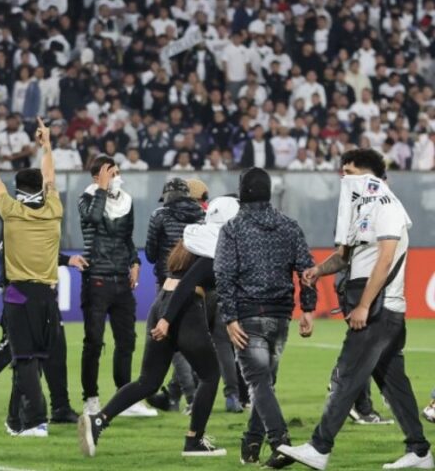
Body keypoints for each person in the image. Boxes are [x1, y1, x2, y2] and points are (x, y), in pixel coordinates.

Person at [279, 149, 433, 470]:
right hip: (375, 307)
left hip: (379, 307)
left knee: (346, 375)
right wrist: (319, 271)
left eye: (349, 171)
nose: (343, 177)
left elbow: (385, 259)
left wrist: (364, 305)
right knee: (394, 383)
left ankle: (319, 447)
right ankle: (419, 451)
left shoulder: (386, 205)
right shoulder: (361, 208)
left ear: (368, 175)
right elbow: (345, 257)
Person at [79, 195, 241, 458]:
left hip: (163, 303)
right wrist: (168, 320)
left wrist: (164, 316)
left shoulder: (194, 237)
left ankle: (99, 421)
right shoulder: (214, 246)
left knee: (148, 381)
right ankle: (194, 441)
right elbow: (188, 284)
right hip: (183, 309)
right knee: (210, 375)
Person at [214, 167, 317, 468]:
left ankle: (281, 442)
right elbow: (307, 270)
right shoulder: (289, 225)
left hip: (247, 315)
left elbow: (223, 274)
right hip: (280, 317)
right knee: (265, 381)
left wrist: (230, 317)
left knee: (258, 382)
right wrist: (308, 309)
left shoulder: (233, 228)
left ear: (242, 191)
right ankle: (252, 440)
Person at [0, 117, 62, 437]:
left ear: (18, 190)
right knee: (37, 359)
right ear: (41, 188)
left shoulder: (11, 211)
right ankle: (21, 421)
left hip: (19, 295)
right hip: (48, 295)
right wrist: (47, 145)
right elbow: (51, 176)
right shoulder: (54, 208)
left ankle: (35, 421)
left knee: (24, 359)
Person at [0, 248, 86, 429]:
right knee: (12, 349)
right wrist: (65, 260)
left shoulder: (35, 226)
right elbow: (27, 255)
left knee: (55, 345)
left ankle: (60, 406)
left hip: (41, 293)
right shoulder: (15, 226)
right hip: (20, 294)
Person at [78, 155, 154, 418]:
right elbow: (95, 219)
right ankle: (90, 398)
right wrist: (101, 187)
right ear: (97, 176)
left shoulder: (126, 201)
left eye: (118, 172)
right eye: (111, 172)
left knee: (127, 341)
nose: (117, 177)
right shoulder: (87, 198)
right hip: (96, 278)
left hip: (122, 280)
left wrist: (135, 261)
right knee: (94, 342)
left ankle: (125, 398)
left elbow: (126, 237)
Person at [144, 178, 204, 413]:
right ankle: (187, 396)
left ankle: (191, 398)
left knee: (173, 343)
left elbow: (150, 253)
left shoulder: (159, 215)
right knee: (198, 342)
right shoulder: (201, 214)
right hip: (198, 285)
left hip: (168, 284)